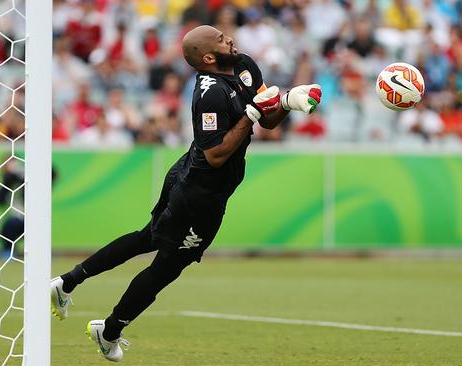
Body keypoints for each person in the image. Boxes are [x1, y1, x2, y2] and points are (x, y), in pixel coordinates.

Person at [51, 25, 322, 362]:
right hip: (199, 192)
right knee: (167, 266)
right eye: (222, 40)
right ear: (208, 57)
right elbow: (216, 154)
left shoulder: (245, 66)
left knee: (147, 237)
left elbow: (267, 118)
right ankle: (109, 331)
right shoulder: (209, 94)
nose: (231, 39)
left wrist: (287, 101)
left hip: (193, 175)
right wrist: (251, 115)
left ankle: (68, 282)